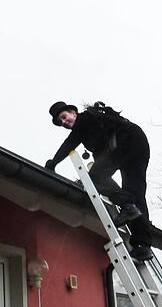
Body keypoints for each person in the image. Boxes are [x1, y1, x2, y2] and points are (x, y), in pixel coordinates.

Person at [45, 101, 154, 261]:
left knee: (94, 178)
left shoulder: (85, 118)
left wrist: (53, 162)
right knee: (136, 192)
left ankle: (127, 205)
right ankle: (143, 246)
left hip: (127, 140)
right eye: (61, 123)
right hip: (138, 142)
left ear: (73, 112)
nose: (64, 122)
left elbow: (70, 143)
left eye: (64, 117)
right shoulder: (96, 125)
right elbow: (102, 158)